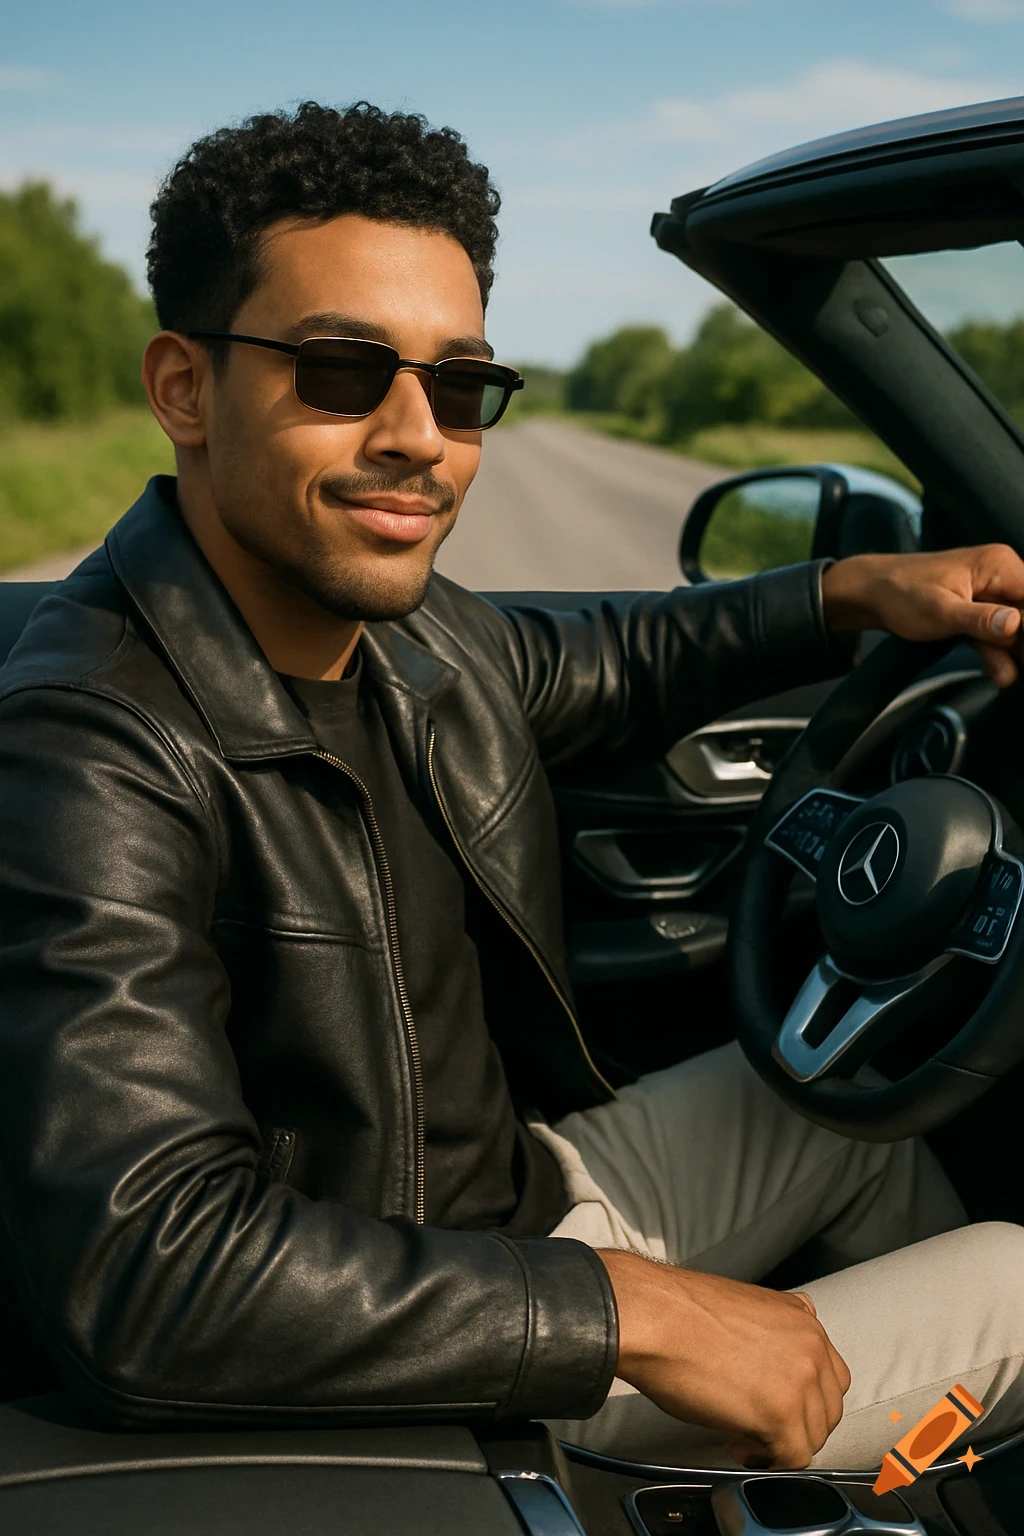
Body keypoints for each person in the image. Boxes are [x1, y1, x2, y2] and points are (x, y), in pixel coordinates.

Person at [1, 102, 1023, 1473]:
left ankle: (893, 1472)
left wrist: (859, 589)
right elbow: (148, 1272)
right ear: (185, 387)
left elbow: (621, 655)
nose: (420, 437)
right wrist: (632, 1316)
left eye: (460, 384)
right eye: (343, 372)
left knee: (851, 1109)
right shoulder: (89, 747)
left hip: (530, 1203)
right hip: (419, 1350)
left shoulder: (411, 636)